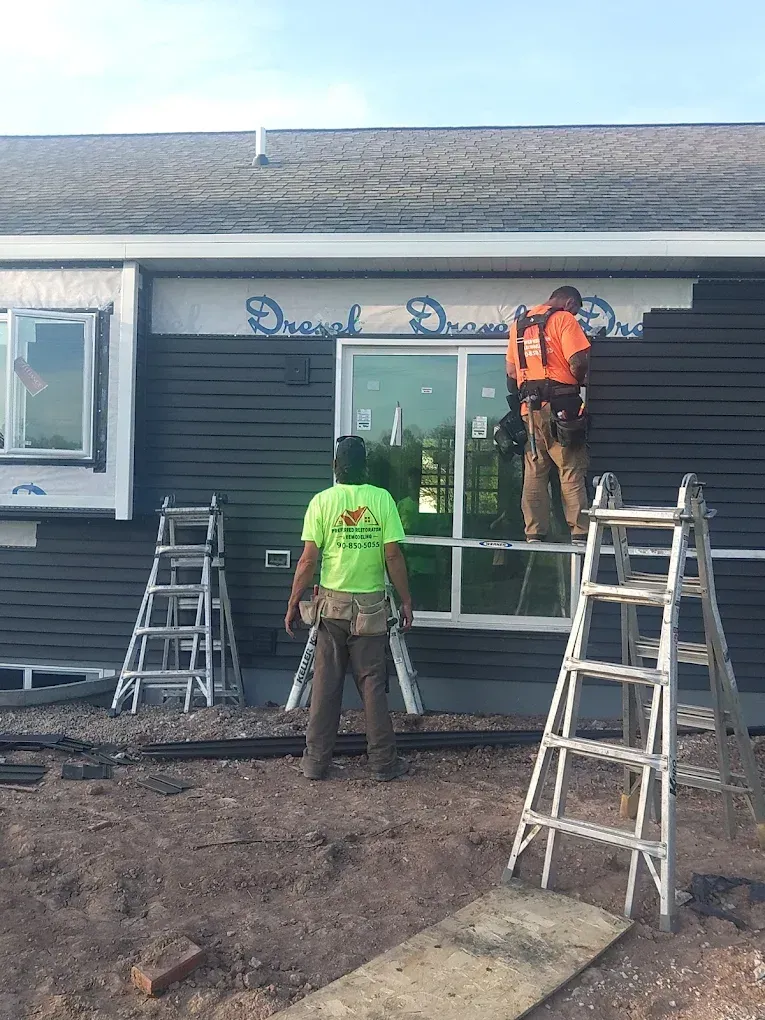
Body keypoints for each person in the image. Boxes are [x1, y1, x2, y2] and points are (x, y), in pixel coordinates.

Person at [284, 435, 413, 781]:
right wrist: (406, 600)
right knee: (373, 685)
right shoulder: (382, 499)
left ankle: (315, 763)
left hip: (332, 606)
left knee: (325, 686)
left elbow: (308, 561)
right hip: (370, 607)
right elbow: (392, 556)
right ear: (365, 467)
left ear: (335, 468)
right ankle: (384, 764)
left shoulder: (322, 502)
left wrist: (294, 602)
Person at [506, 286, 591, 544]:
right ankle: (579, 532)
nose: (574, 314)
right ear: (568, 301)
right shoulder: (563, 319)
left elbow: (511, 373)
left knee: (534, 470)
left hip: (529, 410)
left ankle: (534, 532)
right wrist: (578, 381)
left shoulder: (518, 326)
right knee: (570, 468)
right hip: (561, 408)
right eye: (575, 308)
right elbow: (578, 360)